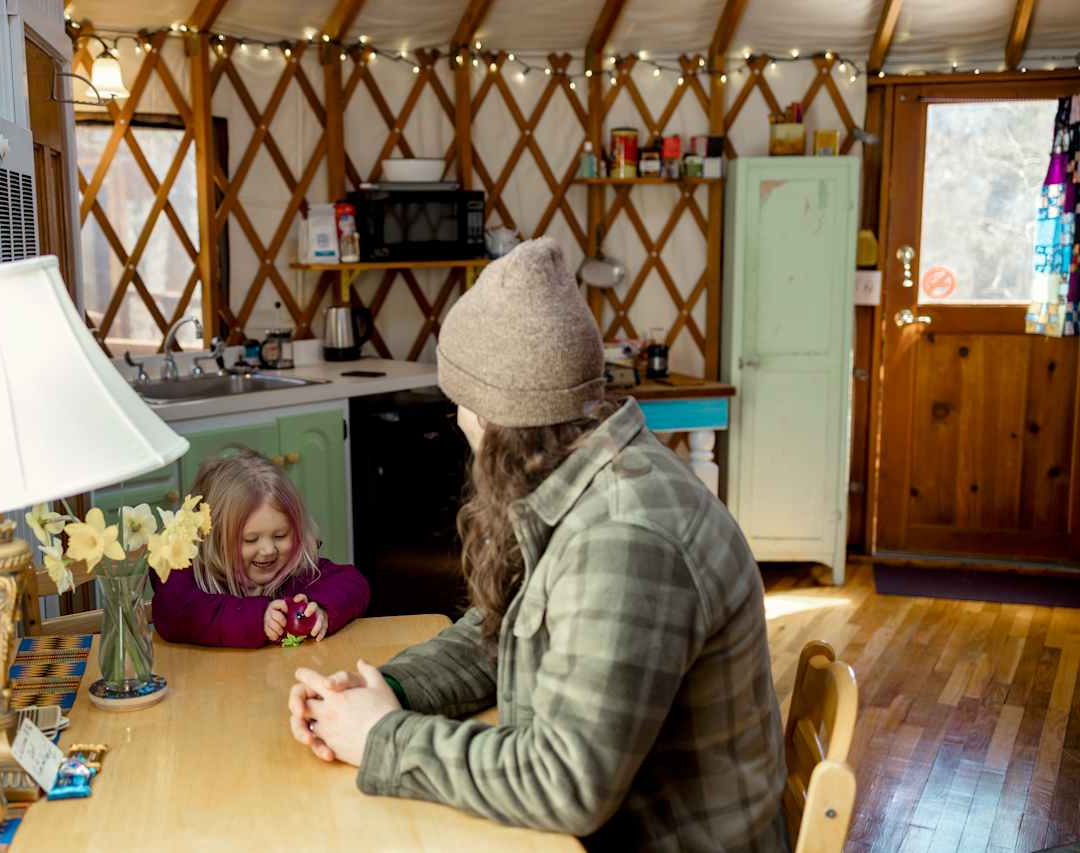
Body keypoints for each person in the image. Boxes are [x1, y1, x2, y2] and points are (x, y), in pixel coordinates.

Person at [286, 238, 787, 850]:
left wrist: (382, 739)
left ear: (499, 419)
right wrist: (389, 692)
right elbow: (504, 630)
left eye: (462, 408)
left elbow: (564, 784)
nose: (462, 427)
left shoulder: (626, 538)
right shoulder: (585, 476)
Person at [151, 450, 370, 647]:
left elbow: (353, 582)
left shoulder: (298, 570)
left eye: (280, 535)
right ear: (213, 538)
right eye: (250, 539)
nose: (268, 550)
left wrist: (322, 609)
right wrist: (257, 618)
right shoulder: (189, 576)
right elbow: (173, 611)